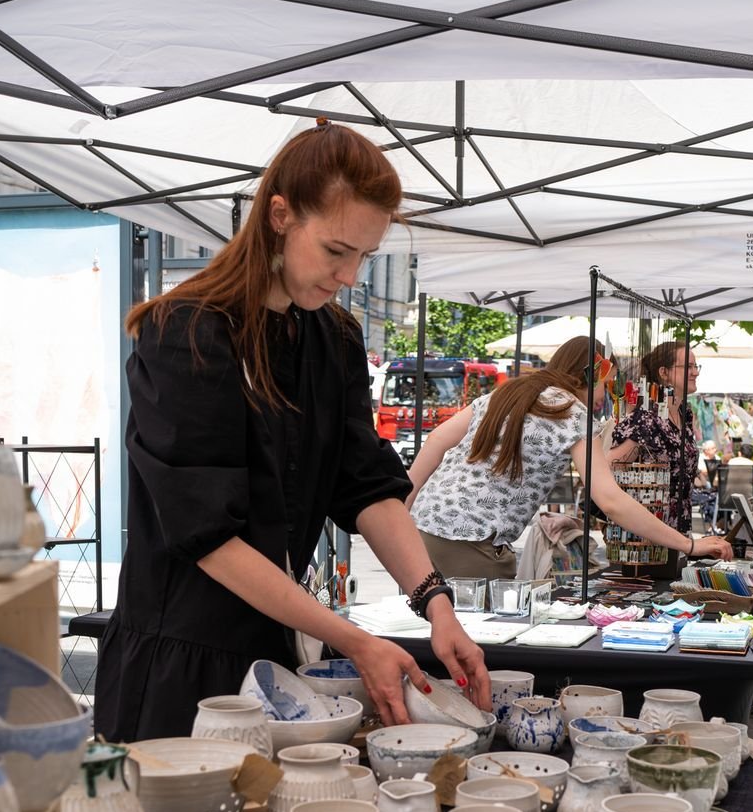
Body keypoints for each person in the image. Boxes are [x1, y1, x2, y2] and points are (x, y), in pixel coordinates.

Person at [93, 121, 490, 740]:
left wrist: (438, 606)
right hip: (182, 667)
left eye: (364, 255)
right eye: (336, 251)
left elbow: (366, 487)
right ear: (279, 215)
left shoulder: (332, 339)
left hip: (274, 662)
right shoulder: (187, 332)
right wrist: (355, 640)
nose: (352, 275)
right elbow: (208, 538)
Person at [406, 337, 733, 578]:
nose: (606, 396)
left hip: (421, 530)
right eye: (606, 384)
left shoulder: (507, 393)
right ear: (590, 375)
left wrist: (402, 506)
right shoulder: (573, 414)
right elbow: (611, 501)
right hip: (470, 542)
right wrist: (688, 545)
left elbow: (436, 441)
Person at [603, 342, 703, 535]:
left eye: (695, 366)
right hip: (646, 538)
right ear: (664, 373)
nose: (695, 372)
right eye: (688, 367)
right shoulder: (645, 419)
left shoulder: (685, 415)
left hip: (678, 530)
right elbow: (609, 469)